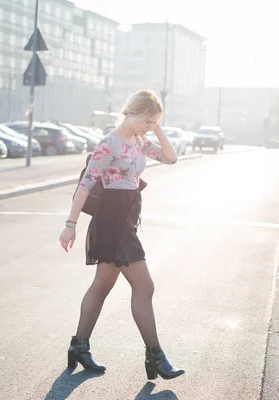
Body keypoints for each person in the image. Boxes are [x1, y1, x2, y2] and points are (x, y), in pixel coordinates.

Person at [59, 90, 185, 381]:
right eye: (147, 120)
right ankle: (156, 356)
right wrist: (70, 224)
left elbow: (171, 158)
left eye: (153, 122)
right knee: (145, 286)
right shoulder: (109, 144)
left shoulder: (138, 141)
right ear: (130, 113)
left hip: (125, 221)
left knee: (102, 286)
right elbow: (86, 184)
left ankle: (79, 346)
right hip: (112, 222)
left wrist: (158, 128)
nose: (149, 126)